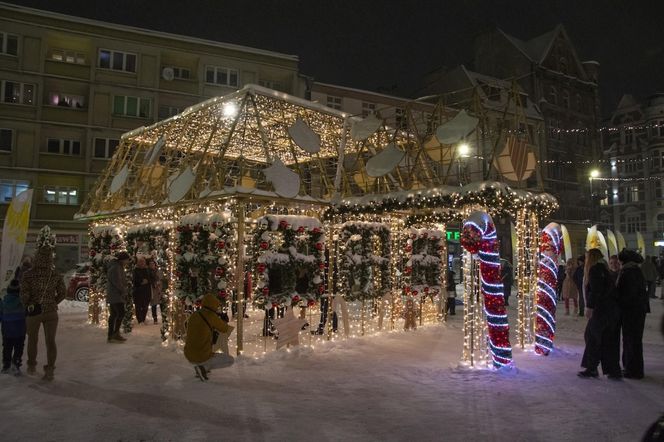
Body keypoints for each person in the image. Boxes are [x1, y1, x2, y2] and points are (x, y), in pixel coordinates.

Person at [20, 242, 66, 381]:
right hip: (51, 312)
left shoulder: (28, 275)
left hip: (34, 312)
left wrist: (29, 304)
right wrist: (52, 302)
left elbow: (24, 295)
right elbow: (63, 293)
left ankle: (32, 366)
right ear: (50, 259)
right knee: (50, 341)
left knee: (32, 340)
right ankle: (50, 370)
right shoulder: (55, 274)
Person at [578, 248, 621, 379]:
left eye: (587, 257)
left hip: (600, 310)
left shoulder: (595, 270)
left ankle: (592, 368)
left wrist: (590, 307)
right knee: (607, 340)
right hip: (610, 310)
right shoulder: (604, 270)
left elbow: (595, 291)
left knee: (592, 338)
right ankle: (612, 370)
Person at [184, 293, 234, 381]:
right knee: (229, 360)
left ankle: (202, 367)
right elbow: (224, 328)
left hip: (188, 353)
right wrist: (220, 319)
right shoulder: (211, 316)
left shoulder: (195, 314)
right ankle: (203, 367)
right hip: (202, 354)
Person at [616, 249, 649, 379]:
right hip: (638, 310)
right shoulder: (636, 271)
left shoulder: (628, 272)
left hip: (631, 311)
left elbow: (626, 293)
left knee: (630, 339)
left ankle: (632, 370)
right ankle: (634, 368)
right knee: (635, 340)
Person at [0, 279, 26, 375]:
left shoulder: (3, 302)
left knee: (7, 347)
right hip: (20, 331)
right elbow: (27, 314)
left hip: (7, 331)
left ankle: (6, 365)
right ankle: (16, 364)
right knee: (19, 348)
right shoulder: (23, 302)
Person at [107, 251, 130, 343]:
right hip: (116, 295)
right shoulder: (116, 268)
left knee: (114, 314)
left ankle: (111, 335)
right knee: (120, 313)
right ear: (123, 260)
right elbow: (117, 282)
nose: (127, 262)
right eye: (127, 260)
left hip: (115, 294)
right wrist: (123, 291)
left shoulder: (118, 267)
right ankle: (115, 333)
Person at [132, 257, 152, 324]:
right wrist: (141, 281)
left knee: (145, 306)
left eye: (143, 262)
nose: (142, 263)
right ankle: (140, 320)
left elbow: (151, 278)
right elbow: (134, 280)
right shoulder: (135, 270)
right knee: (138, 306)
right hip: (138, 291)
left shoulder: (147, 270)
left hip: (146, 291)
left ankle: (143, 319)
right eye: (140, 262)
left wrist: (147, 281)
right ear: (138, 263)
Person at [149, 260, 163, 325]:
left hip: (159, 289)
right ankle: (155, 319)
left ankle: (164, 317)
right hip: (152, 290)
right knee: (153, 305)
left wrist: (159, 283)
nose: (152, 266)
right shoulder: (148, 272)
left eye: (153, 264)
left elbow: (161, 279)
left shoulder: (159, 271)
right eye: (150, 264)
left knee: (161, 304)